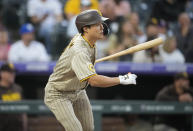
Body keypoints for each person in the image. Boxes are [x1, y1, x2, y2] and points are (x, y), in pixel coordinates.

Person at [44, 9, 137, 131]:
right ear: (85, 29)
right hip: (58, 93)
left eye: (101, 24)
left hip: (78, 90)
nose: (102, 27)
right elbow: (94, 81)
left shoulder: (88, 40)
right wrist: (121, 79)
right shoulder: (79, 51)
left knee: (88, 128)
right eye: (97, 25)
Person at [0, 63, 27, 131]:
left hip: (17, 127)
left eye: (13, 72)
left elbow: (24, 110)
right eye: (10, 72)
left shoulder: (18, 88)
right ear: (2, 74)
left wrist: (25, 127)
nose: (13, 75)